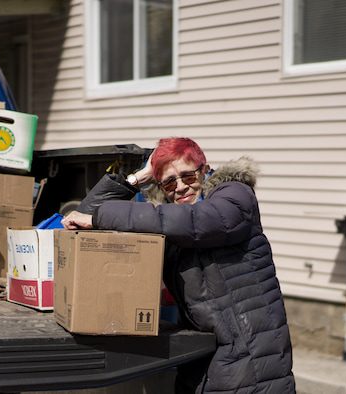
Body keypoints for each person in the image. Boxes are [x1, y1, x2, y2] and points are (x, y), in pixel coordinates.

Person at [61, 137, 295, 394]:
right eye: (170, 182)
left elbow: (198, 223)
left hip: (253, 367)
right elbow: (82, 219)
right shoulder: (169, 224)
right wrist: (138, 178)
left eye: (188, 176)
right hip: (204, 365)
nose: (181, 187)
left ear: (205, 170)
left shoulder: (234, 197)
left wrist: (101, 217)